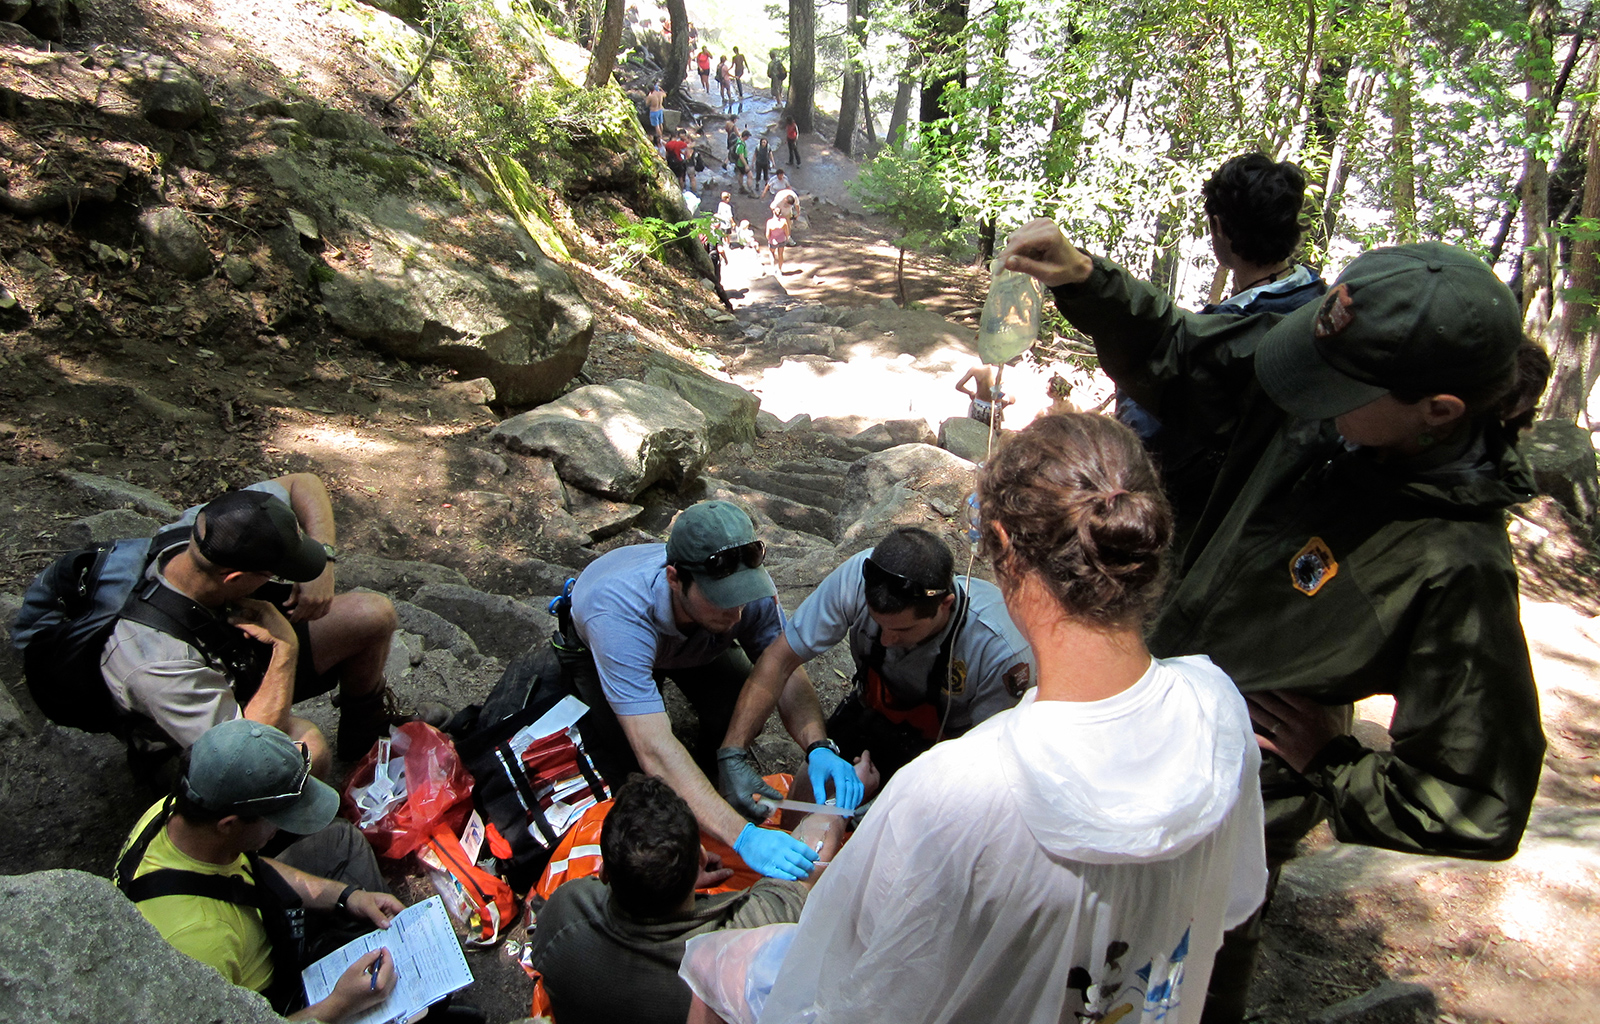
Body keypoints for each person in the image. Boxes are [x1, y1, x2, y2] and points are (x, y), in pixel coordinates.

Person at [1001, 222, 1549, 1022]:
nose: (1308, 397)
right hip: (1127, 730)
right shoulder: (1322, 393)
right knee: (1060, 966)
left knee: (1177, 993)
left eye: (1339, 392)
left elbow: (1474, 797)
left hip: (1230, 814)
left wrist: (1331, 764)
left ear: (1439, 410)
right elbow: (1190, 360)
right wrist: (1087, 281)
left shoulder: (1454, 562)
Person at [687, 413, 1268, 1024]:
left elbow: (854, 987)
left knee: (716, 966)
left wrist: (830, 847)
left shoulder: (950, 792)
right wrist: (766, 749)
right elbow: (1232, 902)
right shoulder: (1220, 709)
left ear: (1000, 546)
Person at [547, 500, 861, 882]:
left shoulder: (742, 593)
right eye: (721, 597)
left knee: (740, 706)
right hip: (611, 644)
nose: (737, 613)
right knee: (633, 775)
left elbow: (783, 670)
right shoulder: (617, 615)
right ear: (675, 579)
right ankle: (701, 808)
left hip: (698, 638)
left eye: (742, 595)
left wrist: (818, 745)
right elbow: (654, 748)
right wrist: (743, 837)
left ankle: (714, 778)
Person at [100, 476, 430, 778]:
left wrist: (323, 561)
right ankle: (271, 823)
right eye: (272, 574)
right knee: (307, 751)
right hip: (197, 731)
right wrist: (285, 649)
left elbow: (304, 483)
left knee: (372, 615)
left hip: (231, 654)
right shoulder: (156, 659)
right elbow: (243, 750)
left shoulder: (213, 528)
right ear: (234, 577)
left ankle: (364, 731)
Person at [721, 527, 1036, 806]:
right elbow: (779, 660)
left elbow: (988, 767)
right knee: (808, 795)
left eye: (902, 630)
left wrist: (883, 808)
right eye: (877, 624)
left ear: (945, 605)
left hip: (949, 750)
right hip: (872, 711)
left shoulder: (1000, 650)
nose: (886, 640)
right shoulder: (858, 577)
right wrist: (734, 753)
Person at [113, 719, 403, 1022]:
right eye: (278, 819)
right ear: (229, 824)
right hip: (276, 1003)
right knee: (394, 998)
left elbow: (245, 866)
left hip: (262, 925)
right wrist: (339, 1004)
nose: (282, 829)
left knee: (340, 840)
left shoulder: (179, 812)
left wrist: (346, 896)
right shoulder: (200, 940)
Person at [1122, 153, 1329, 543]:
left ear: (1218, 227)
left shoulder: (1230, 334)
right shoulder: (1321, 306)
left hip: (1207, 526)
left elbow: (1146, 435)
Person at [526, 775, 842, 1024]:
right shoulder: (738, 938)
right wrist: (839, 802)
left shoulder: (564, 914)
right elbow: (810, 861)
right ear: (702, 859)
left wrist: (668, 876)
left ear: (604, 872)